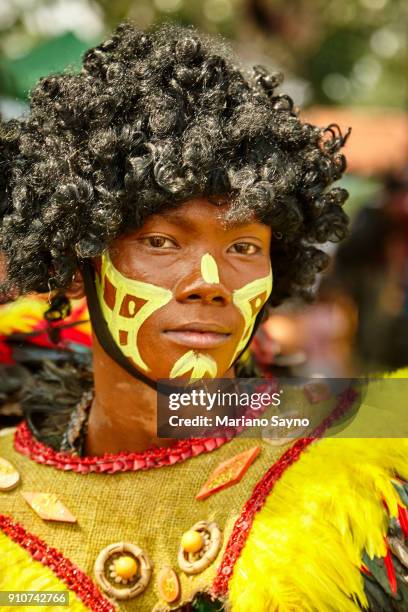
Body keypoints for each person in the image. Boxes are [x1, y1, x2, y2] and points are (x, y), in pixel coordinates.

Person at [0, 22, 407, 612]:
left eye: (244, 248)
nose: (211, 284)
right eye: (164, 242)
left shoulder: (361, 476)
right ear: (78, 261)